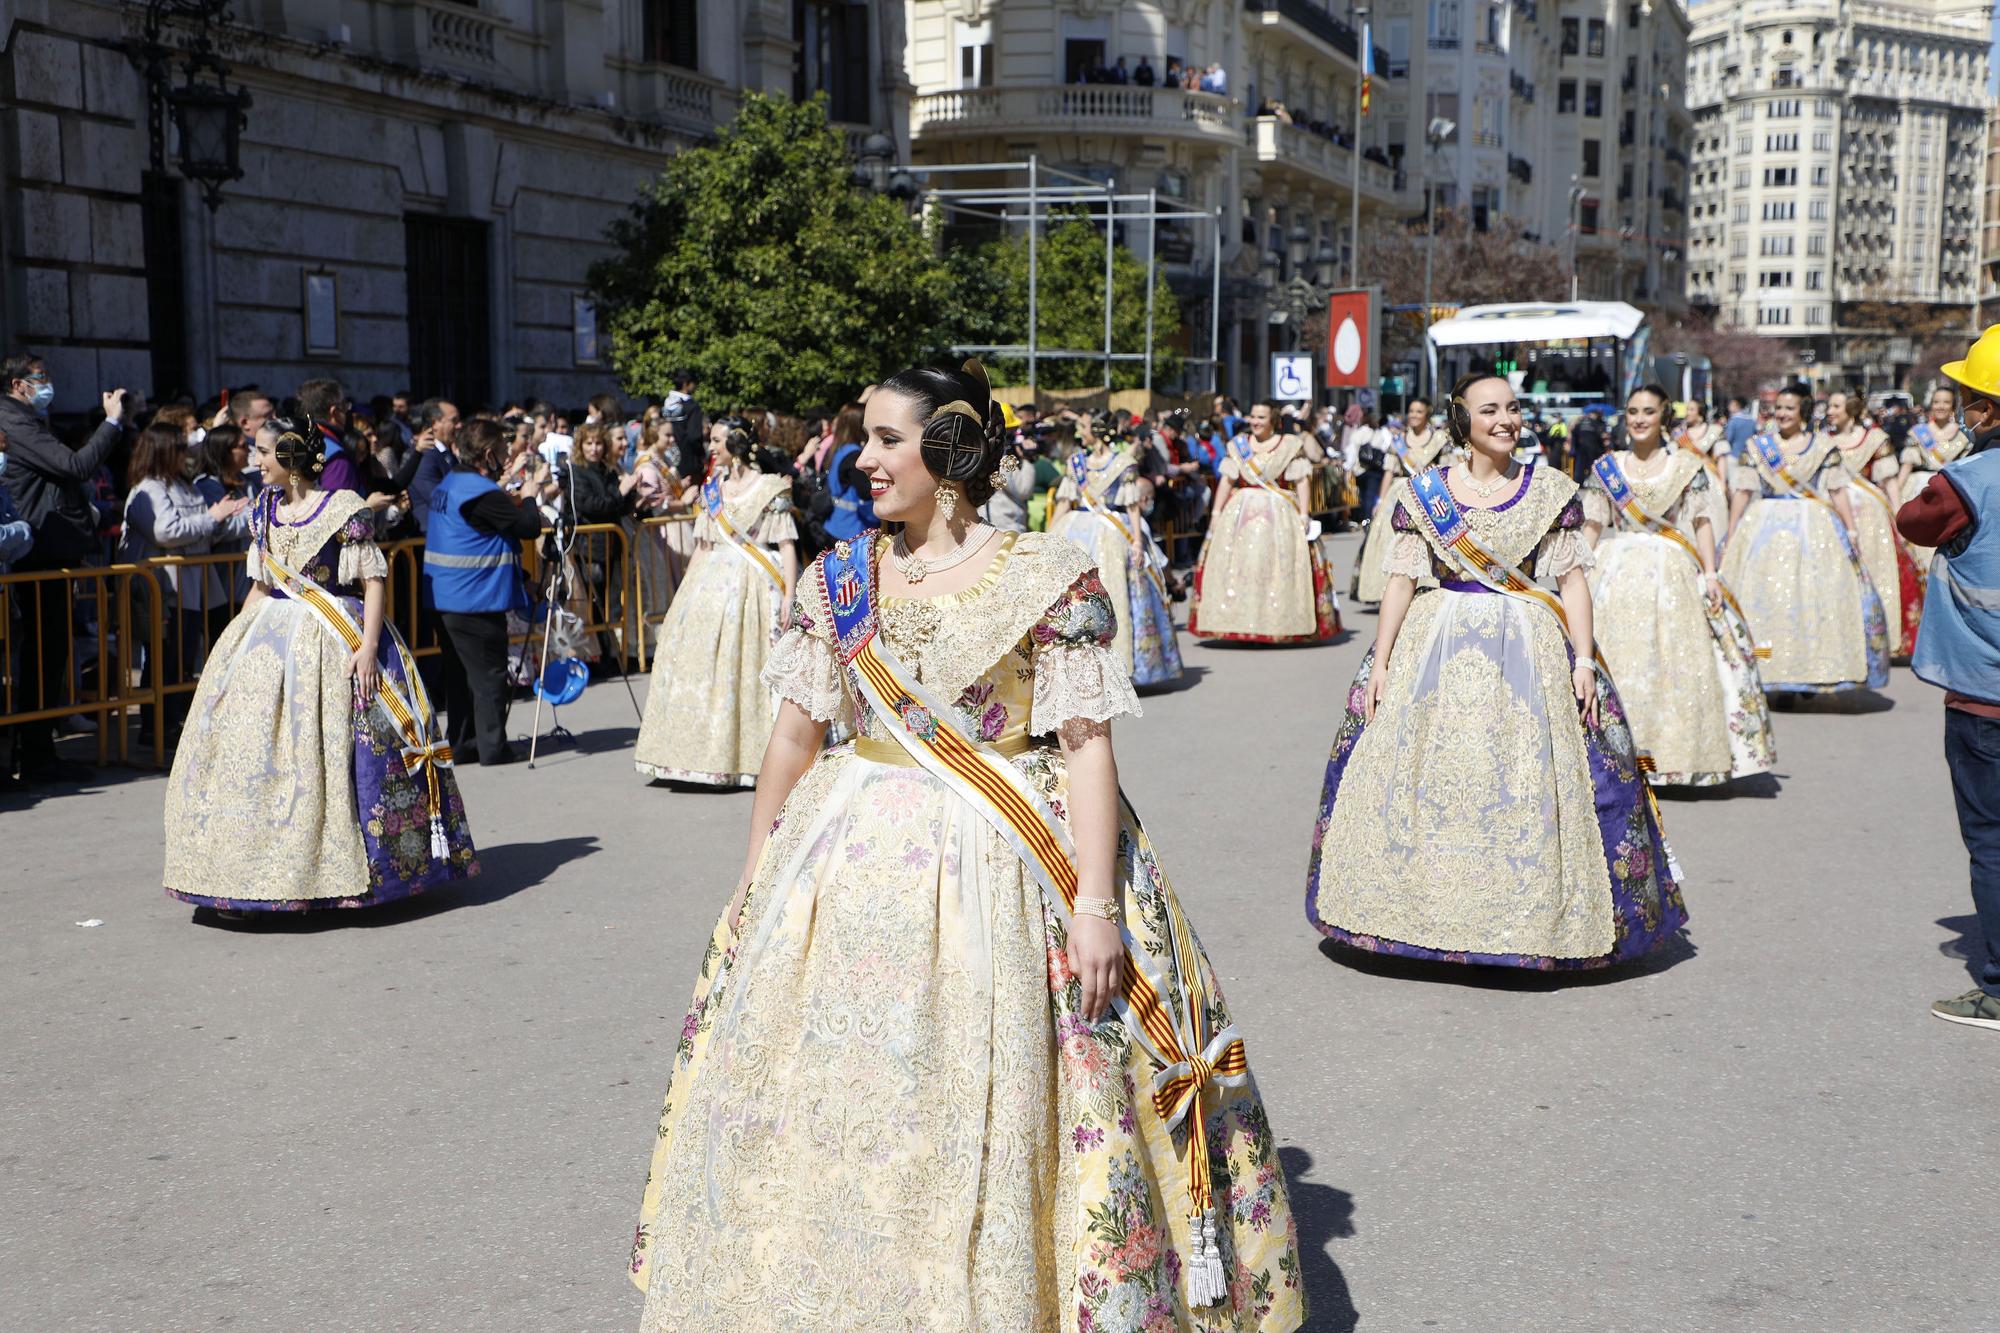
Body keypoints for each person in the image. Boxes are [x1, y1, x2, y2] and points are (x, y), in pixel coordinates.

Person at [627, 358, 1302, 1330]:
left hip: (1011, 869)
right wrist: (752, 875)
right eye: (863, 436)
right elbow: (791, 736)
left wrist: (1096, 905)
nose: (861, 459)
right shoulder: (839, 577)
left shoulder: (1042, 574)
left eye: (886, 439)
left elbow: (1083, 748)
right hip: (843, 864)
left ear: (946, 451)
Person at [1307, 375, 1687, 969]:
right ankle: (1413, 913)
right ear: (1462, 418)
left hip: (1529, 648)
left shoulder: (1550, 489)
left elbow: (1572, 581)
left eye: (1513, 408)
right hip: (1435, 644)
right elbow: (1402, 581)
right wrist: (1380, 664)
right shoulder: (1424, 492)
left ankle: (1530, 922)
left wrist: (1583, 660)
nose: (1506, 419)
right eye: (1491, 410)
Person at [163, 417, 478, 914]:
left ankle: (358, 875)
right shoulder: (263, 510)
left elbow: (372, 580)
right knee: (253, 752)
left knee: (344, 754)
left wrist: (369, 647)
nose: (255, 460)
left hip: (337, 639)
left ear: (290, 458)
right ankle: (245, 873)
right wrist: (231, 651)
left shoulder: (344, 511)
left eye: (264, 451)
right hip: (270, 641)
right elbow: (263, 587)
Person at [1580, 385, 1775, 788]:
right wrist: (1578, 571)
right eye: (1632, 411)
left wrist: (1710, 573)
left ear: (1663, 416)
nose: (1638, 419)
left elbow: (1701, 521)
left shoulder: (1685, 466)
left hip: (1671, 572)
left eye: (1648, 411)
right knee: (1618, 662)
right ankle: (1614, 758)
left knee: (1671, 663)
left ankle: (1665, 759)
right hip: (1615, 574)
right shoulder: (1608, 466)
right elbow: (1594, 524)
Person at [1897, 327, 2000, 1031]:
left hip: (1984, 696)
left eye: (1967, 397)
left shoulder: (1964, 480)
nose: (1958, 405)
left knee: (1992, 839)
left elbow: (1914, 520)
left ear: (1988, 411)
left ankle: (1995, 986)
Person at [632, 417, 798, 786]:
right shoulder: (713, 489)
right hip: (709, 581)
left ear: (738, 444)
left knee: (750, 667)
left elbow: (786, 543)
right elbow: (703, 545)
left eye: (718, 440)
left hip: (755, 585)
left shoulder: (770, 487)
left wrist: (789, 593)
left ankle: (761, 756)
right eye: (711, 440)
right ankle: (697, 757)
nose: (711, 446)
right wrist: (683, 599)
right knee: (698, 660)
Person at [0, 355, 131, 781]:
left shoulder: (27, 418)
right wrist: (111, 423)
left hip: (46, 548)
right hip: (33, 552)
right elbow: (74, 465)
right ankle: (34, 755)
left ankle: (38, 751)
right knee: (40, 653)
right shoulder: (14, 420)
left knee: (51, 652)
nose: (48, 385)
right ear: (18, 385)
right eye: (41, 379)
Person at [1721, 383, 1889, 698]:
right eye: (1779, 408)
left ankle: (1810, 667)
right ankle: (1770, 666)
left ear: (1804, 412)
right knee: (1769, 601)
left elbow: (1837, 490)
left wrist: (1851, 530)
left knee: (1813, 598)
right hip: (1764, 528)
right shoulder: (1758, 446)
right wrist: (1732, 532)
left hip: (1815, 528)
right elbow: (1742, 491)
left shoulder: (1822, 446)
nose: (1782, 414)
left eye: (1789, 408)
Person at [120, 423, 252, 739]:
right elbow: (166, 531)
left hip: (192, 585)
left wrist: (218, 518)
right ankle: (155, 729)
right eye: (180, 449)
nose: (186, 455)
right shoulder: (149, 489)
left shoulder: (184, 485)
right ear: (164, 451)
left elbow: (202, 527)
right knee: (165, 660)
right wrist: (214, 516)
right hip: (164, 588)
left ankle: (173, 721)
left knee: (181, 659)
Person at [423, 418, 537, 767]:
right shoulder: (481, 492)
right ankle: (492, 748)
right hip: (474, 599)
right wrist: (530, 495)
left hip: (445, 596)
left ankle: (462, 743)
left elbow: (485, 530)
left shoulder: (452, 483)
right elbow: (528, 526)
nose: (505, 458)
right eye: (502, 452)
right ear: (487, 453)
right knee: (488, 675)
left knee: (461, 676)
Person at [1050, 414, 1185, 688]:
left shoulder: (1123, 464)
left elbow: (1132, 506)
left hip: (1112, 535)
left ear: (1098, 432)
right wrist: (1047, 535)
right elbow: (1066, 501)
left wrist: (1136, 541)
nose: (1080, 432)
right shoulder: (1076, 463)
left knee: (1118, 593)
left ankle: (1119, 663)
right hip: (1077, 529)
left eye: (1084, 427)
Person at [1190, 401, 1341, 642]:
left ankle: (1279, 622)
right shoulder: (1238, 445)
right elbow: (1227, 480)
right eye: (1252, 416)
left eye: (1261, 417)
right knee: (1238, 565)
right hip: (1240, 513)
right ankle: (1237, 621)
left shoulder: (1289, 445)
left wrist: (1304, 513)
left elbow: (1302, 480)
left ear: (1273, 421)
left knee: (1277, 565)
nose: (1255, 422)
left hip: (1280, 513)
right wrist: (1216, 513)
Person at [1823, 387, 1921, 659]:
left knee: (1877, 572)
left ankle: (1877, 634)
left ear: (1851, 410)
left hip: (1869, 516)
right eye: (1829, 407)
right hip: (1833, 511)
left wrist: (1899, 517)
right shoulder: (1822, 441)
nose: (1829, 412)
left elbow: (1889, 482)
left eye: (1835, 406)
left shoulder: (1875, 439)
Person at [1352, 396, 1449, 605]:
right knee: (1390, 539)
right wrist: (1380, 499)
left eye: (1419, 412)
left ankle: (1425, 584)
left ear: (1427, 414)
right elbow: (1389, 471)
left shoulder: (1439, 439)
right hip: (1400, 491)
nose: (1414, 415)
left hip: (1428, 491)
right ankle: (1386, 590)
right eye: (1411, 411)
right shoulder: (1399, 441)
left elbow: (1446, 468)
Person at [1899, 385, 1977, 589]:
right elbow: (1907, 465)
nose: (1940, 406)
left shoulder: (1963, 435)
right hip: (1918, 488)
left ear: (1953, 406)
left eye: (1945, 402)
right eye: (1936, 402)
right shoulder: (1918, 433)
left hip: (1951, 490)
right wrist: (1895, 495)